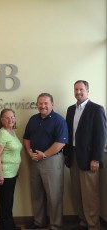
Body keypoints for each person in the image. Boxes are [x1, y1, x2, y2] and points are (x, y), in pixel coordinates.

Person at [64, 80, 107, 230]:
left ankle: (93, 225)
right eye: (76, 89)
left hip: (89, 159)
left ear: (87, 91)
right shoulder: (70, 110)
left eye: (81, 89)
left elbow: (101, 136)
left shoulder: (97, 109)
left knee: (90, 195)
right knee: (77, 192)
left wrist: (96, 158)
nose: (78, 92)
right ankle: (83, 221)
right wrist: (66, 154)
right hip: (73, 156)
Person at [23, 93, 68, 230]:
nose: (42, 106)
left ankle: (55, 224)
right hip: (34, 160)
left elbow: (61, 143)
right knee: (37, 193)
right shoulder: (33, 119)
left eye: (46, 103)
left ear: (52, 104)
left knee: (54, 194)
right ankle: (39, 221)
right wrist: (29, 151)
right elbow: (26, 138)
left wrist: (44, 155)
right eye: (40, 103)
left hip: (52, 160)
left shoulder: (59, 120)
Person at [0, 109, 22, 230]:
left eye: (12, 117)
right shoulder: (1, 133)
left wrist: (17, 169)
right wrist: (0, 173)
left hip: (12, 172)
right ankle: (5, 227)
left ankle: (9, 225)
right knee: (6, 201)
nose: (10, 119)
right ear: (1, 120)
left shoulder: (11, 131)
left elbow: (13, 153)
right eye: (7, 117)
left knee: (9, 200)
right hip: (5, 172)